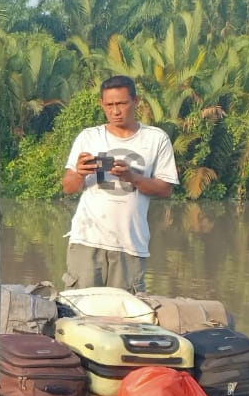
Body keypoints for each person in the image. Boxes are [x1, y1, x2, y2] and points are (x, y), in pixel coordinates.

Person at [60, 75, 178, 292]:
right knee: (77, 310)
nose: (115, 111)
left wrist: (132, 178)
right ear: (101, 105)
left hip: (130, 244)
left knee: (124, 318)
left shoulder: (156, 139)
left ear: (136, 101)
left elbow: (165, 189)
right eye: (109, 105)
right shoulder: (89, 137)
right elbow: (67, 187)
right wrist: (79, 173)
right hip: (87, 239)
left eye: (122, 103)